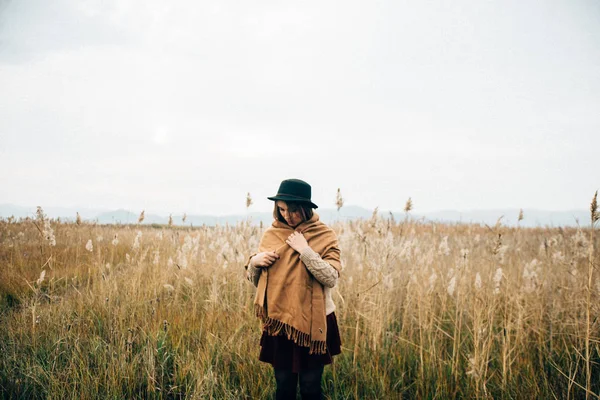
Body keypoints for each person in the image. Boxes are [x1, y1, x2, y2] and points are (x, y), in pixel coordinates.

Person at [245, 178, 342, 400]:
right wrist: (255, 262)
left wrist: (305, 250)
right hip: (280, 321)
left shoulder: (324, 235)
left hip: (314, 321)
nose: (287, 216)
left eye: (294, 211)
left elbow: (330, 277)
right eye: (282, 209)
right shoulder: (272, 234)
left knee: (310, 388)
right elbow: (257, 282)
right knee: (284, 387)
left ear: (306, 210)